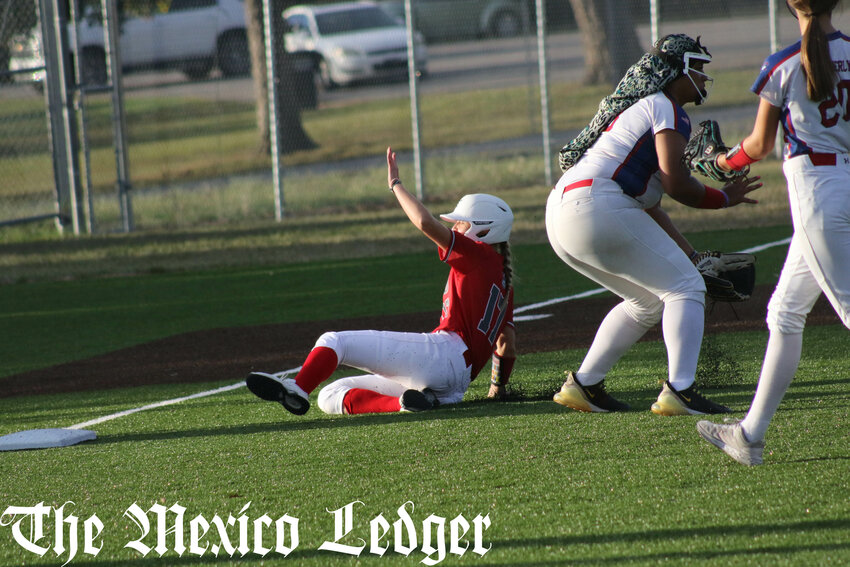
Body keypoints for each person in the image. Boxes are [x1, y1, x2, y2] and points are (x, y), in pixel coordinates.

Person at [547, 33, 762, 415]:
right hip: (597, 206)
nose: (702, 77)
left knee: (645, 301)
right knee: (685, 289)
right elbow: (678, 186)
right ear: (673, 70)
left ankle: (585, 385)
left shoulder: (646, 112)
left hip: (564, 213)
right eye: (696, 68)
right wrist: (725, 198)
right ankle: (680, 391)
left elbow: (650, 209)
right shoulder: (666, 107)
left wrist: (691, 254)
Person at [245, 147, 517, 416]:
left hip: (444, 356)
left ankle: (298, 388)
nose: (456, 228)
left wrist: (395, 185)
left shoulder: (478, 253)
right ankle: (405, 404)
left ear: (484, 228)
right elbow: (506, 343)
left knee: (334, 341)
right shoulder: (505, 278)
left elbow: (425, 222)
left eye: (461, 223)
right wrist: (497, 388)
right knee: (330, 396)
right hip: (454, 385)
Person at [697, 0, 850, 465]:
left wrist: (722, 163)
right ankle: (749, 435)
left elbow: (760, 145)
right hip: (842, 184)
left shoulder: (783, 63)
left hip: (819, 193)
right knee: (784, 312)